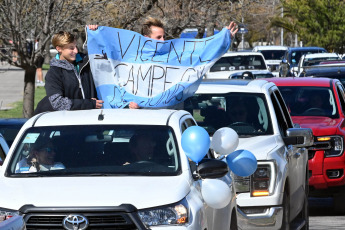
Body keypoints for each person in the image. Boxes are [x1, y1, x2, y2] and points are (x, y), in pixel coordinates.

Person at [88, 17, 238, 109]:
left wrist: (223, 39)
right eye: (158, 37)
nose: (163, 41)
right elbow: (112, 71)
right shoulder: (131, 59)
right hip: (139, 122)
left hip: (167, 121)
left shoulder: (173, 56)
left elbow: (200, 52)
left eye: (164, 36)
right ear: (146, 37)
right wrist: (95, 33)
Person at [34, 31, 103, 114]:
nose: (76, 51)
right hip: (62, 121)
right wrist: (89, 104)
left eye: (75, 46)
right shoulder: (53, 73)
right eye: (71, 48)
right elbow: (58, 103)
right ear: (59, 48)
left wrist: (95, 32)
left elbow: (105, 54)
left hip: (88, 117)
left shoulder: (87, 62)